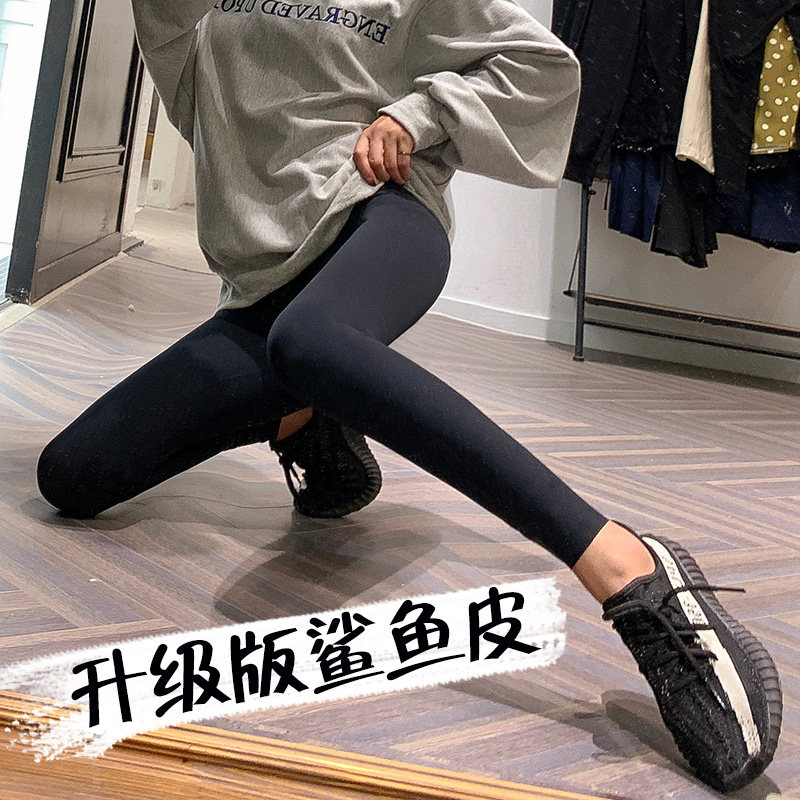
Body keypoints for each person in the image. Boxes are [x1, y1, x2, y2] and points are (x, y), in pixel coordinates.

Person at [36, 0, 781, 790]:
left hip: (380, 220)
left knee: (311, 341)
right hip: (266, 284)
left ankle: (629, 567)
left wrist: (417, 114)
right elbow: (191, 87)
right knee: (73, 474)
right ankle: (307, 416)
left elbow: (542, 65)